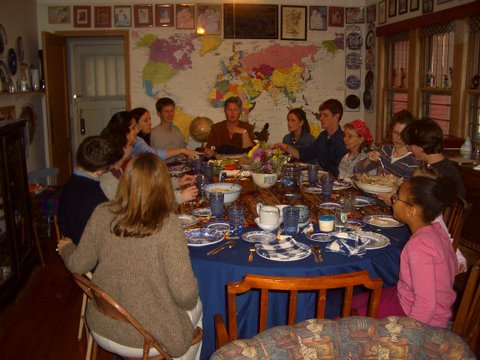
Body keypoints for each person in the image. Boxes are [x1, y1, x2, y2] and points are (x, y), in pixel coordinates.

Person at [57, 153, 203, 359]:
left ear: (125, 181)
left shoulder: (102, 212)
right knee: (197, 306)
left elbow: (78, 264)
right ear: (164, 186)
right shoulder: (168, 225)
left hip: (102, 325)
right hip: (143, 338)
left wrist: (66, 247)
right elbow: (186, 296)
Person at [353, 176, 458, 329]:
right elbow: (452, 266)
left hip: (423, 319)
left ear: (411, 211)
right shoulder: (437, 231)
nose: (393, 200)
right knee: (352, 301)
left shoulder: (419, 246)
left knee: (347, 318)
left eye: (397, 197)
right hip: (406, 297)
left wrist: (406, 335)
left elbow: (426, 306)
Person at [58, 136, 124, 245]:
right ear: (100, 171)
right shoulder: (96, 199)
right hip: (89, 251)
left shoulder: (71, 184)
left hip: (74, 243)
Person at [275, 99, 347, 177]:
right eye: (321, 115)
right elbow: (307, 154)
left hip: (333, 183)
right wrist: (286, 147)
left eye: (325, 115)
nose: (321, 118)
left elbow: (338, 173)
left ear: (336, 116)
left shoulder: (343, 140)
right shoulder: (323, 136)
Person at [401, 118, 466, 198]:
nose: (409, 149)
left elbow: (419, 206)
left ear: (421, 147)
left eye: (410, 146)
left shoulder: (432, 174)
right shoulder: (446, 166)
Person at [354, 110, 419, 179]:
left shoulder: (412, 162)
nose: (398, 138)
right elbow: (356, 170)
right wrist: (368, 161)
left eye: (403, 134)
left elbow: (406, 188)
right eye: (395, 133)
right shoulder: (385, 150)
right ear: (391, 131)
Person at [150, 98, 186, 163]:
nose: (170, 114)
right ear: (159, 113)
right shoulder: (152, 133)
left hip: (177, 169)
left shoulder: (177, 131)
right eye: (166, 112)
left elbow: (183, 154)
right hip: (160, 170)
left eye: (172, 111)